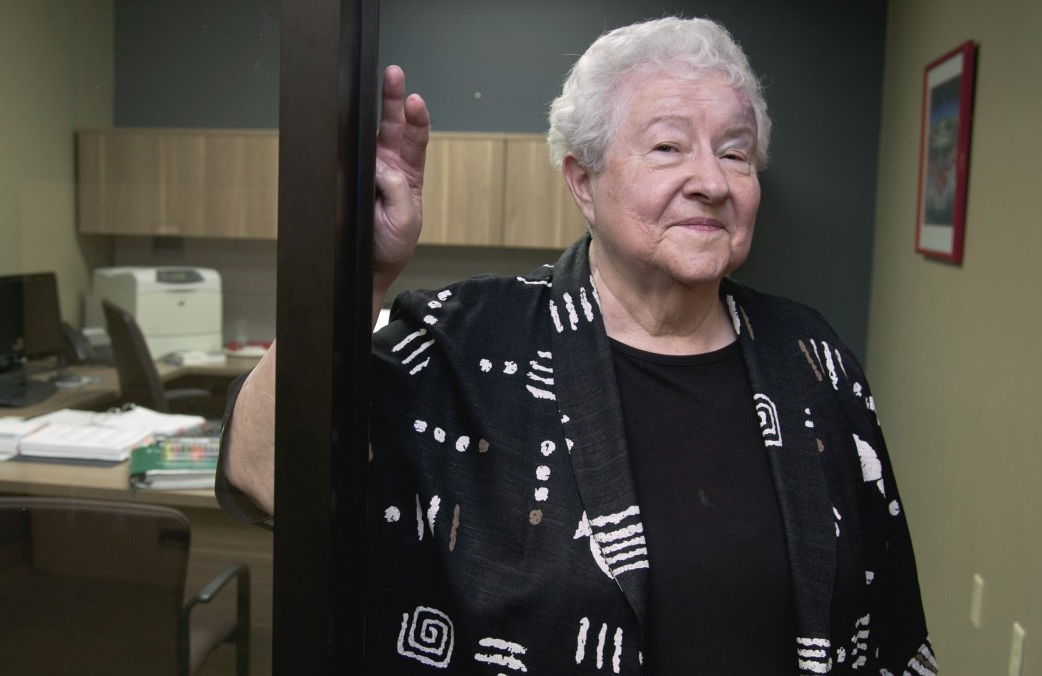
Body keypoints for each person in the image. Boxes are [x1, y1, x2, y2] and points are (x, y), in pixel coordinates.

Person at [217, 17, 936, 674]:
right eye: (668, 147)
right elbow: (267, 472)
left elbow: (893, 622)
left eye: (736, 154)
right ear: (582, 182)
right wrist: (351, 276)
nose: (712, 182)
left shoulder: (813, 358)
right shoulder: (468, 347)